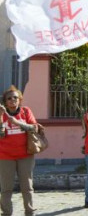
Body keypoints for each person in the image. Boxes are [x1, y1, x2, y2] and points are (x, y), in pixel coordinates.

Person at [0, 86, 38, 216]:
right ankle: (6, 213)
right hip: (5, 157)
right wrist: (1, 118)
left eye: (15, 98)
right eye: (9, 98)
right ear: (5, 102)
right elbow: (1, 135)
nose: (12, 100)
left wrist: (17, 122)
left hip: (25, 155)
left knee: (27, 187)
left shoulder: (26, 112)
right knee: (6, 188)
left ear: (20, 100)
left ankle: (29, 212)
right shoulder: (1, 114)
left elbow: (34, 128)